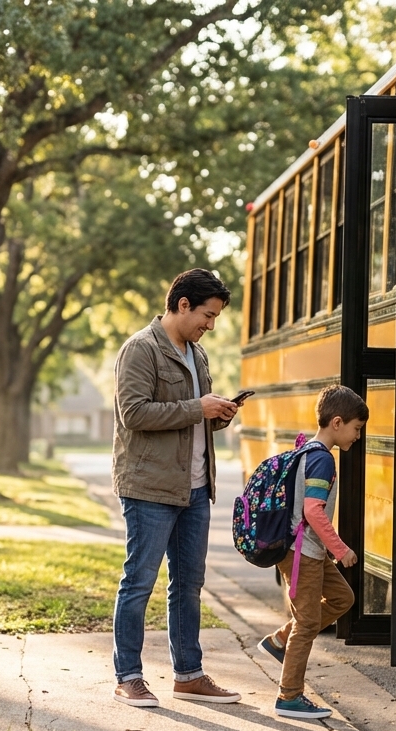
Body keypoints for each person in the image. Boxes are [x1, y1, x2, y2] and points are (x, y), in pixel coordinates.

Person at [110, 268, 243, 708]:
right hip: (149, 488)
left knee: (188, 585)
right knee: (139, 582)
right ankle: (128, 676)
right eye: (207, 315)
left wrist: (218, 413)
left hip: (196, 488)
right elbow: (134, 413)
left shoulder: (197, 354)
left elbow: (190, 418)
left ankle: (188, 675)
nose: (210, 324)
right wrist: (195, 408)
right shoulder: (139, 349)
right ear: (182, 304)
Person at [257, 385, 367, 719]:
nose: (358, 436)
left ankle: (279, 641)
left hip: (308, 551)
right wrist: (341, 549)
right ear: (337, 422)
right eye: (356, 428)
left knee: (342, 598)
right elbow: (312, 511)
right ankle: (289, 696)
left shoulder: (310, 451)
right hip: (303, 552)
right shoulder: (321, 459)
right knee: (307, 624)